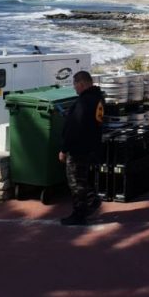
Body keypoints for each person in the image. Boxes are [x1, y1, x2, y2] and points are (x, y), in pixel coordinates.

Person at [57, 70, 105, 226]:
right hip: (91, 146)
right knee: (82, 179)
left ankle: (79, 214)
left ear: (82, 84)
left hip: (79, 149)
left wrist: (64, 149)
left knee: (75, 182)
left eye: (75, 85)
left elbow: (75, 128)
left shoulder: (84, 102)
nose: (75, 89)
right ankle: (91, 200)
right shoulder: (98, 98)